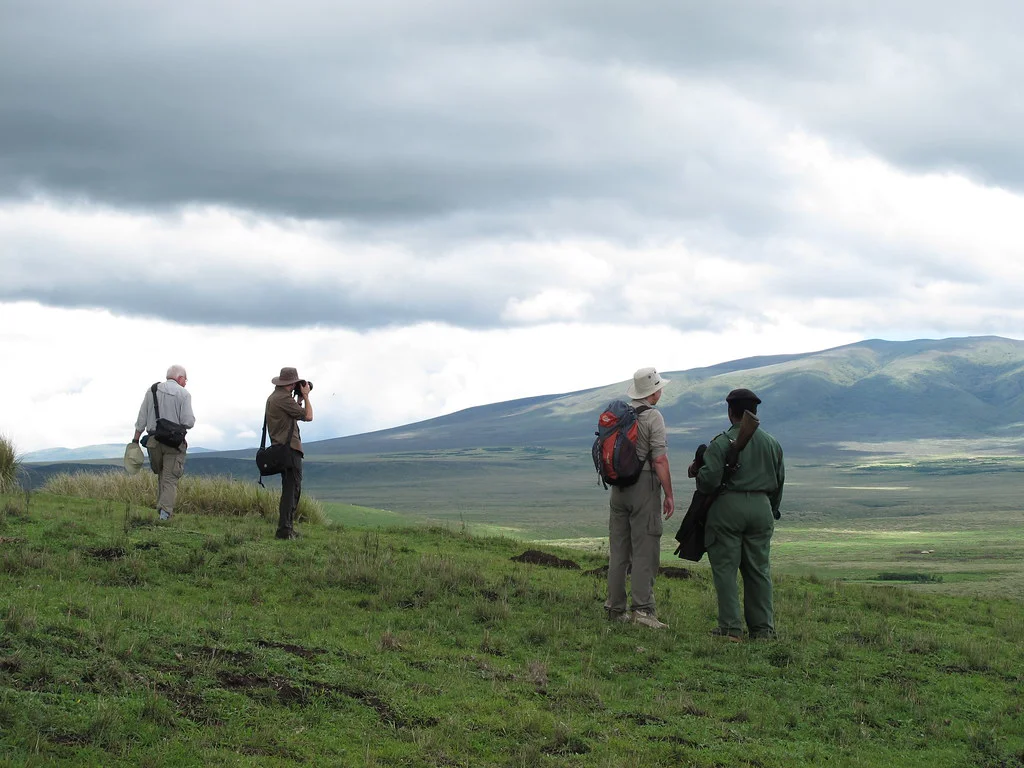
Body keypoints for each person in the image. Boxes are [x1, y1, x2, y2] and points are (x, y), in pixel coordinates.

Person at [695, 388, 784, 641]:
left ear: (730, 411)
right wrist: (770, 509)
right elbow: (779, 482)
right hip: (761, 509)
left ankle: (730, 628)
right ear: (755, 411)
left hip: (727, 511)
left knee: (725, 570)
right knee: (759, 571)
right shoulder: (772, 443)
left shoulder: (722, 443)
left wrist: (699, 471)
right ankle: (763, 630)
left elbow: (708, 483)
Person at [606, 367, 675, 629]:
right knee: (645, 549)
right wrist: (668, 493)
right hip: (643, 486)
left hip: (618, 488)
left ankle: (614, 608)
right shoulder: (653, 417)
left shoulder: (621, 416)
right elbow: (659, 458)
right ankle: (643, 611)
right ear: (654, 392)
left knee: (619, 551)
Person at [132, 364, 195, 520]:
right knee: (170, 478)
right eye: (185, 379)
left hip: (153, 441)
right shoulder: (184, 394)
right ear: (180, 378)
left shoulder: (152, 390)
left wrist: (135, 440)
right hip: (174, 443)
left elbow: (141, 418)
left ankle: (161, 511)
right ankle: (165, 515)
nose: (186, 383)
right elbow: (188, 422)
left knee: (161, 475)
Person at [265, 367, 313, 540]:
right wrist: (306, 396)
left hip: (281, 448)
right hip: (289, 449)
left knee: (289, 489)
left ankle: (287, 528)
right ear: (292, 383)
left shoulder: (274, 397)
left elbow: (292, 416)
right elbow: (308, 416)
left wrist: (298, 400)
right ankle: (285, 530)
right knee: (292, 490)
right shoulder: (283, 399)